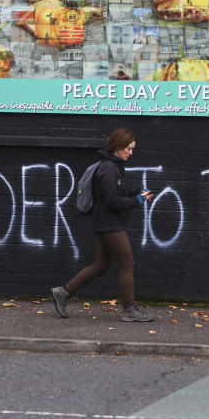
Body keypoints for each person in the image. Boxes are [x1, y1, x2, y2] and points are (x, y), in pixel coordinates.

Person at [51, 128, 155, 322]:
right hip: (109, 224)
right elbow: (113, 201)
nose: (131, 153)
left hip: (107, 223)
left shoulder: (115, 166)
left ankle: (63, 292)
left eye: (132, 149)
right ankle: (129, 309)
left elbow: (122, 190)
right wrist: (138, 201)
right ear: (117, 147)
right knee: (126, 264)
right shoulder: (108, 169)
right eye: (128, 149)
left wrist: (138, 192)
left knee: (101, 266)